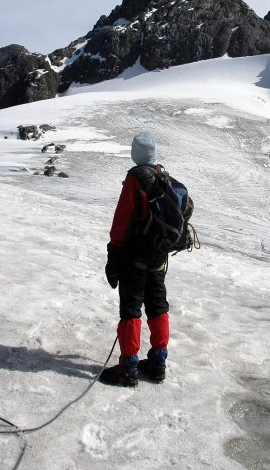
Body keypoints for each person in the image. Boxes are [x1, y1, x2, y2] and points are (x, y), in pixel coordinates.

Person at [101, 130, 172, 387]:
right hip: (158, 258)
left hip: (135, 258)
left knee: (131, 310)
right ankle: (157, 363)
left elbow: (121, 222)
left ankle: (128, 368)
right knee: (158, 306)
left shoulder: (135, 179)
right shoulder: (163, 174)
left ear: (135, 154)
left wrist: (113, 255)